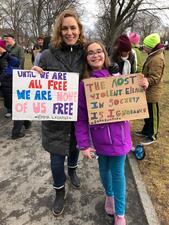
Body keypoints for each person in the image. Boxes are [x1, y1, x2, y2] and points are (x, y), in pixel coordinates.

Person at [74, 40, 148, 225]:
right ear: (86, 58)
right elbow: (81, 118)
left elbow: (133, 98)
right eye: (91, 52)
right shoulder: (85, 85)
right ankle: (109, 196)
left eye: (99, 51)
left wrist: (142, 84)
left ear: (105, 55)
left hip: (120, 137)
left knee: (118, 174)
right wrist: (83, 144)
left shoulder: (118, 78)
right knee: (104, 171)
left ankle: (120, 214)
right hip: (99, 139)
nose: (96, 55)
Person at [32, 9, 86, 216]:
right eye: (65, 28)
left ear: (79, 30)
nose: (69, 32)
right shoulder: (46, 55)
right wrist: (33, 75)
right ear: (59, 31)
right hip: (55, 120)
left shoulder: (85, 53)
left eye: (73, 28)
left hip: (78, 118)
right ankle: (59, 191)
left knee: (74, 149)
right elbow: (34, 82)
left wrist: (117, 71)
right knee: (56, 161)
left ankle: (72, 170)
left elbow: (101, 71)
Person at [135, 33, 165, 145]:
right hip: (147, 91)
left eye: (146, 46)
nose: (144, 47)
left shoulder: (157, 59)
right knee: (147, 114)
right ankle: (146, 131)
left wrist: (147, 80)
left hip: (153, 93)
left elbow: (155, 77)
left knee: (153, 115)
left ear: (151, 46)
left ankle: (153, 135)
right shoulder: (153, 55)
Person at [3, 33, 31, 139]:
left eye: (8, 39)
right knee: (16, 101)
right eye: (5, 39)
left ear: (12, 39)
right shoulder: (7, 48)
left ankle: (24, 122)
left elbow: (21, 61)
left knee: (19, 100)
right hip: (8, 77)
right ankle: (26, 121)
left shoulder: (19, 48)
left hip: (17, 76)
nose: (6, 41)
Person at [0, 39, 20, 118]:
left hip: (8, 80)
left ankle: (10, 110)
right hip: (2, 79)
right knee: (5, 95)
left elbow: (16, 63)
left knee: (9, 95)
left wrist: (5, 54)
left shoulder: (9, 55)